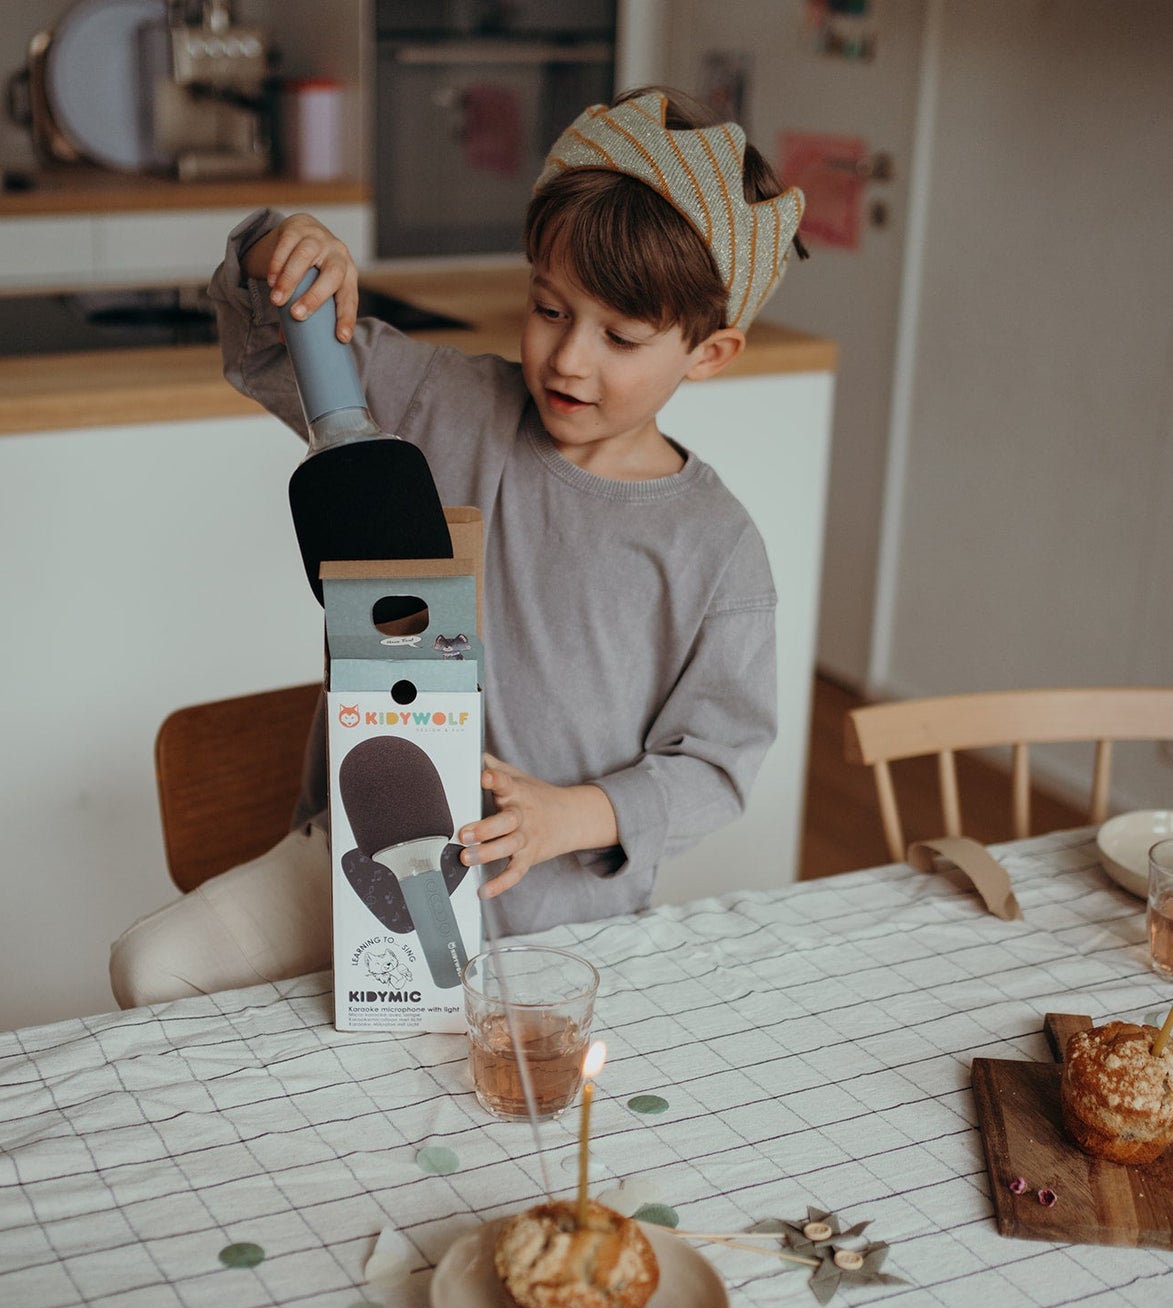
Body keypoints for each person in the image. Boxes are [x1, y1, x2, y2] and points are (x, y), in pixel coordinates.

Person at [109, 87, 806, 1008]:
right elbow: (273, 350)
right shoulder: (438, 399)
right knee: (151, 967)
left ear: (708, 353)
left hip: (564, 914)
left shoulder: (716, 549)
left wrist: (571, 815)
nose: (568, 359)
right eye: (549, 308)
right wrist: (282, 252)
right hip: (359, 863)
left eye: (620, 336)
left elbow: (714, 767)